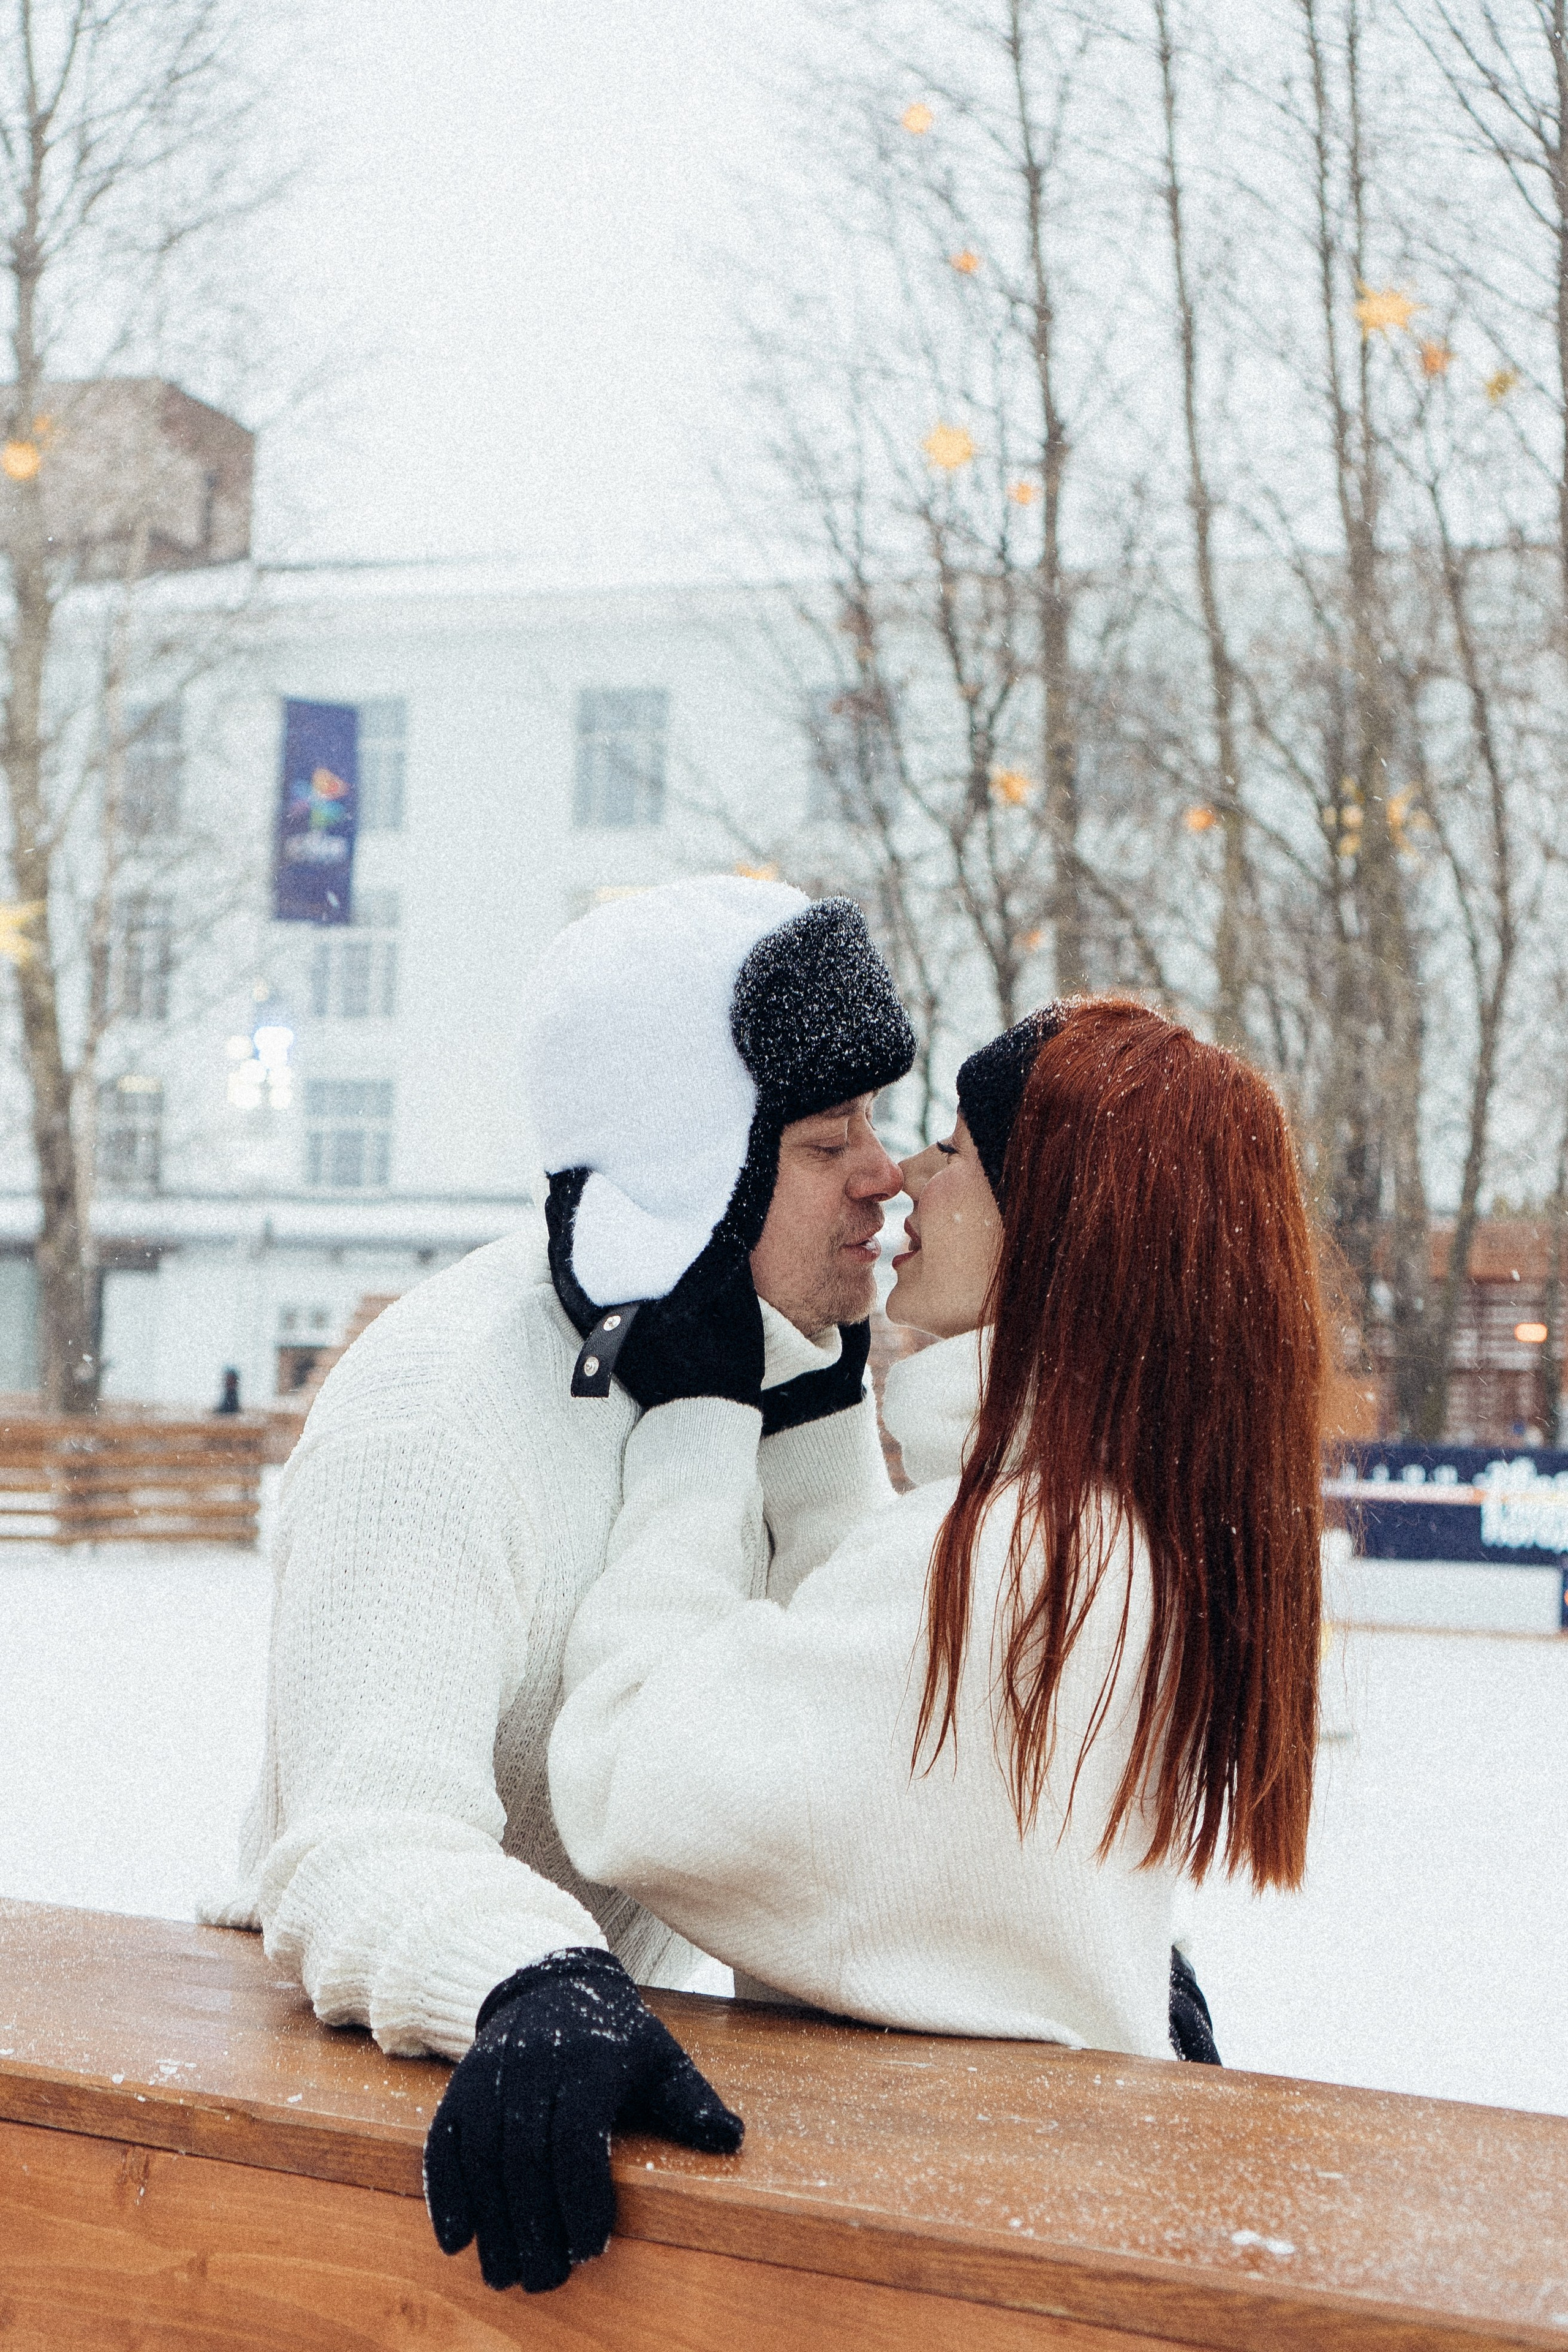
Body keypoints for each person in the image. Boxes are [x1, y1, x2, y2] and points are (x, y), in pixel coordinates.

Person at [202, 873, 917, 2291]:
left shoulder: (761, 1374)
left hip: (621, 2102)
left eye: (877, 1128)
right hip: (358, 2121)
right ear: (690, 1173)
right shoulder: (438, 1414)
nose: (883, 1176)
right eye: (827, 1140)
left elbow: (848, 1756)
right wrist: (530, 1977)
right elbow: (356, 1835)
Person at [548, 998, 1325, 2065]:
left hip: (942, 2190)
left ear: (1054, 1228)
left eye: (955, 1148)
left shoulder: (1022, 1556)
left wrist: (698, 1422)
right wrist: (821, 1415)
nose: (907, 1171)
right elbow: (876, 1745)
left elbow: (628, 1778)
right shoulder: (1114, 1524)